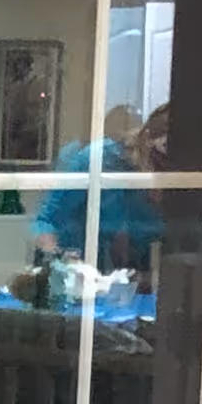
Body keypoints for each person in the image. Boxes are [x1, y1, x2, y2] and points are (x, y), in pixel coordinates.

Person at [32, 103, 162, 275]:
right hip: (78, 262)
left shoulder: (156, 175)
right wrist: (59, 264)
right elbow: (47, 220)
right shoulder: (95, 158)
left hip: (132, 269)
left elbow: (152, 234)